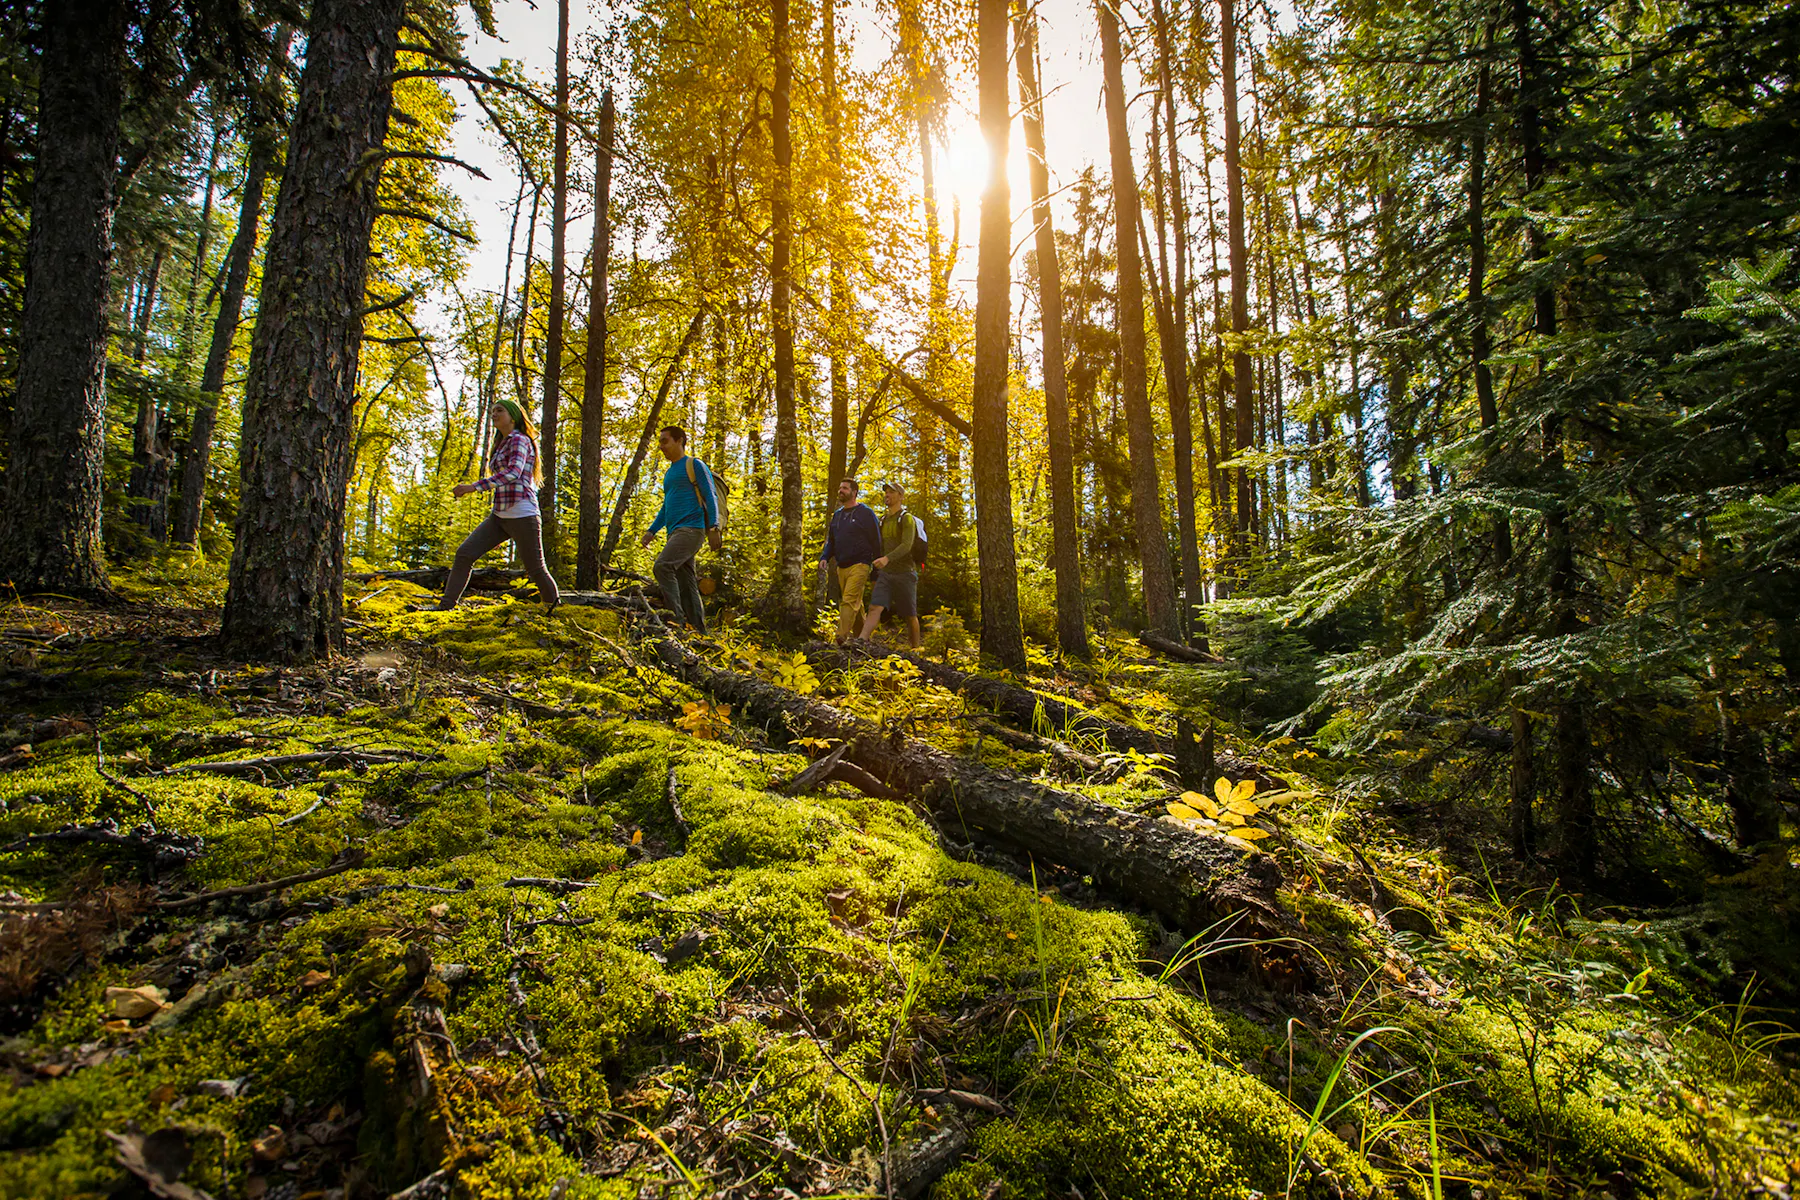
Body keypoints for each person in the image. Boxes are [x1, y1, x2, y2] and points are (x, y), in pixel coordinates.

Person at [432, 399, 560, 613]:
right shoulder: (502, 442)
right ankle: (445, 607)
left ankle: (554, 612)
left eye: (499, 410)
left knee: (536, 569)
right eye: (492, 411)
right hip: (500, 516)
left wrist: (473, 487)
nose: (494, 414)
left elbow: (512, 473)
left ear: (513, 415)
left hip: (522, 513)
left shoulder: (520, 439)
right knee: (464, 554)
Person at [639, 425, 720, 631]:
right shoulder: (669, 474)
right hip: (675, 532)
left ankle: (675, 621)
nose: (661, 446)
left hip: (692, 529)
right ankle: (699, 630)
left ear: (679, 440)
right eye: (660, 442)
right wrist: (651, 531)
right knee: (687, 581)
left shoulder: (694, 465)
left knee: (662, 566)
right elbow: (667, 507)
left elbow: (710, 495)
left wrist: (714, 526)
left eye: (665, 441)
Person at [818, 478, 881, 644]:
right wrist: (825, 556)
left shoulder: (865, 513)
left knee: (848, 600)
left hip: (860, 563)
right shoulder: (837, 515)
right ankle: (863, 639)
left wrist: (877, 567)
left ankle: (840, 637)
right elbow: (831, 540)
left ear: (854, 492)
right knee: (855, 603)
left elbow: (876, 540)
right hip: (842, 565)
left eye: (845, 488)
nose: (841, 490)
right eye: (840, 488)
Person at [860, 481, 922, 648]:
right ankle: (861, 641)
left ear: (900, 497)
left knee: (910, 615)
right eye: (886, 492)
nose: (887, 495)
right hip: (886, 575)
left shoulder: (906, 519)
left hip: (905, 574)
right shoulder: (882, 520)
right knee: (874, 607)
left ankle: (916, 650)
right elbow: (879, 546)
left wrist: (887, 558)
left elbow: (906, 545)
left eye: (891, 492)